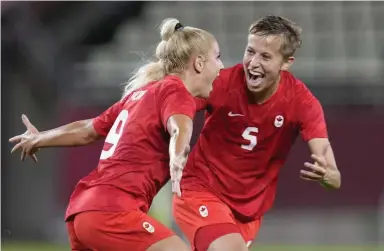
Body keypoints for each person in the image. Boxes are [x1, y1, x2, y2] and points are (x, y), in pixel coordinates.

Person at [9, 18, 223, 251]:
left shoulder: (141, 94)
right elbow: (179, 126)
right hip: (113, 212)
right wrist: (178, 153)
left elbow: (87, 130)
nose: (221, 66)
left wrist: (40, 137)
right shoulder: (176, 92)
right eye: (217, 57)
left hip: (84, 212)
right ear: (200, 63)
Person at [172, 15, 342, 251]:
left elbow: (334, 177)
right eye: (250, 51)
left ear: (286, 63)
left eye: (265, 56)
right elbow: (176, 102)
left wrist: (327, 176)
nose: (253, 63)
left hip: (248, 213)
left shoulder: (302, 103)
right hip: (201, 190)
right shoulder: (221, 83)